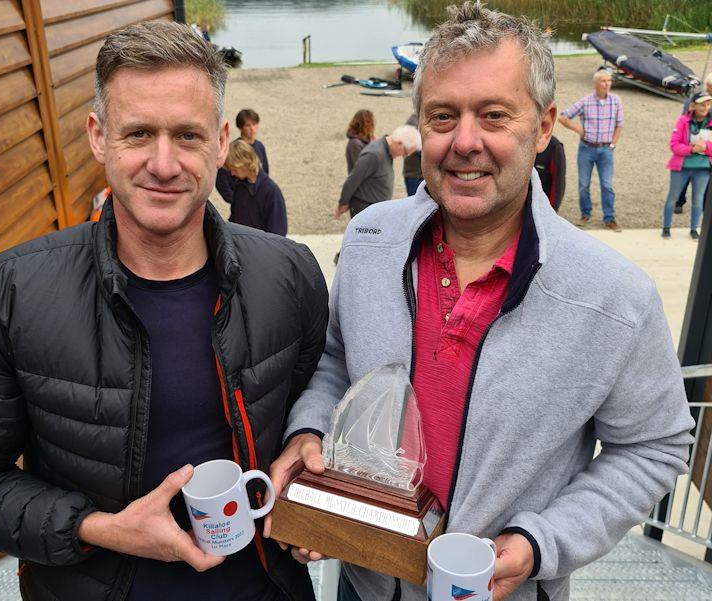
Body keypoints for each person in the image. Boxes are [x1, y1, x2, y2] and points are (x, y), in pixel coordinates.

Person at [267, 3, 694, 601]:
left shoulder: (613, 297)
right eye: (443, 117)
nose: (465, 142)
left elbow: (656, 444)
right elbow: (338, 361)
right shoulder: (368, 239)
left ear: (544, 126)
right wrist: (308, 432)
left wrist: (544, 540)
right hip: (361, 585)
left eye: (494, 116)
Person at [0, 21, 328, 601]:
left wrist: (308, 470)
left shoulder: (289, 274)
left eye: (186, 136)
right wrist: (99, 529)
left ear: (219, 141)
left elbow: (319, 403)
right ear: (98, 136)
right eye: (138, 133)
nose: (163, 165)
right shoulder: (7, 293)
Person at [558, 68, 624, 231]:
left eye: (609, 81)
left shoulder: (616, 101)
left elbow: (619, 125)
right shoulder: (586, 101)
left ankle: (609, 218)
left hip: (606, 150)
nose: (607, 84)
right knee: (583, 184)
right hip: (586, 149)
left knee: (607, 185)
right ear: (595, 84)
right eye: (603, 81)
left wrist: (613, 144)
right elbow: (562, 116)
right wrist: (579, 129)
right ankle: (585, 213)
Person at [335, 124, 421, 219]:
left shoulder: (387, 152)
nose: (403, 156)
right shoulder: (374, 154)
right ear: (399, 143)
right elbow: (353, 179)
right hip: (365, 210)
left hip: (374, 209)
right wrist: (343, 203)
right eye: (405, 153)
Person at [661, 90, 712, 240]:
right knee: (673, 197)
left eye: (708, 104)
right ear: (693, 106)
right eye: (702, 104)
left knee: (698, 200)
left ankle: (694, 229)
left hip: (702, 168)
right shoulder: (683, 121)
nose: (705, 107)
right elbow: (674, 145)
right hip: (681, 167)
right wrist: (691, 149)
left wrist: (705, 147)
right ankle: (666, 227)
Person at [226, 139, 288, 236]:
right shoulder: (239, 187)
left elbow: (278, 236)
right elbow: (235, 220)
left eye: (234, 169)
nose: (232, 173)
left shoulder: (272, 193)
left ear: (244, 163)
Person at [676, 73, 712, 213]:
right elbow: (686, 117)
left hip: (707, 145)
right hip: (692, 141)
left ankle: (704, 205)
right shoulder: (695, 99)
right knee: (687, 171)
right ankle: (679, 201)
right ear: (709, 86)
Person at [216, 108, 269, 202]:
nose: (252, 129)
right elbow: (221, 181)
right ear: (240, 127)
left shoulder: (260, 146)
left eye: (254, 124)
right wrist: (237, 200)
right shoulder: (232, 150)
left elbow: (265, 171)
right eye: (248, 125)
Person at [533, 134, 566, 211]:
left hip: (542, 206)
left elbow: (558, 183)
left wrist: (552, 210)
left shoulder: (554, 147)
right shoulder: (519, 141)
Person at [345, 109, 375, 173]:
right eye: (371, 122)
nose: (373, 125)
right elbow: (361, 168)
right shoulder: (355, 143)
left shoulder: (368, 139)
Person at [404, 113, 424, 196]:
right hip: (415, 175)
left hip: (417, 174)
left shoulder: (418, 119)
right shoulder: (414, 121)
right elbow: (413, 145)